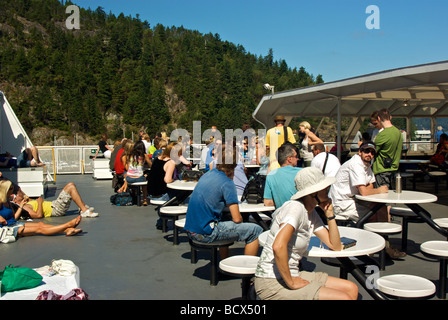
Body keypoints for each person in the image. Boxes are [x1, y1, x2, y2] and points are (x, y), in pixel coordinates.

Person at [254, 167, 358, 300]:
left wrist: (330, 215)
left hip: (292, 273)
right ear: (313, 192)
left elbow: (335, 246)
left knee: (351, 288)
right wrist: (291, 282)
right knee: (344, 297)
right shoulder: (295, 208)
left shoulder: (311, 212)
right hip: (271, 281)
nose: (328, 189)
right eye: (324, 187)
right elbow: (278, 246)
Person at [184, 145, 263, 259]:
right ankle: (248, 273)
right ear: (235, 164)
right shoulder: (227, 183)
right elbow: (237, 219)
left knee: (224, 219)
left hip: (191, 229)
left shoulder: (207, 174)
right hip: (206, 233)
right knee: (255, 230)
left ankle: (223, 261)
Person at [0, 180, 83, 237]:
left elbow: (14, 218)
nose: (13, 191)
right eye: (11, 189)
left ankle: (67, 230)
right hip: (8, 229)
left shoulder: (7, 201)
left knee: (41, 225)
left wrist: (21, 206)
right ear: (5, 190)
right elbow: (3, 221)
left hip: (14, 223)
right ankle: (67, 225)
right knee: (39, 229)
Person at [12, 182, 98, 218]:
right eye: (17, 194)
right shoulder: (24, 207)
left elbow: (21, 193)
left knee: (71, 185)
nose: (20, 193)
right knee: (70, 186)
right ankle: (84, 210)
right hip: (55, 209)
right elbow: (38, 215)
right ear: (15, 201)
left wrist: (25, 196)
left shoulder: (26, 202)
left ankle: (83, 207)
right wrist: (40, 202)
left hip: (54, 205)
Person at [370, 109, 403, 192]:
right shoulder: (398, 132)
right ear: (390, 117)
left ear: (379, 118)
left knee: (381, 197)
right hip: (394, 168)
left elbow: (372, 151)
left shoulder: (382, 135)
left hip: (381, 169)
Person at [263, 142, 302, 208]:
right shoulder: (302, 172)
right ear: (289, 159)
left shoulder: (271, 175)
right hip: (302, 214)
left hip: (282, 216)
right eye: (296, 156)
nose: (297, 159)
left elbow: (267, 202)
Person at [124, 140, 152, 206]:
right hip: (139, 178)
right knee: (144, 183)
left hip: (129, 178)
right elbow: (151, 165)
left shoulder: (130, 155)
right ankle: (145, 199)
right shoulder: (144, 155)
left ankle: (132, 196)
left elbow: (128, 168)